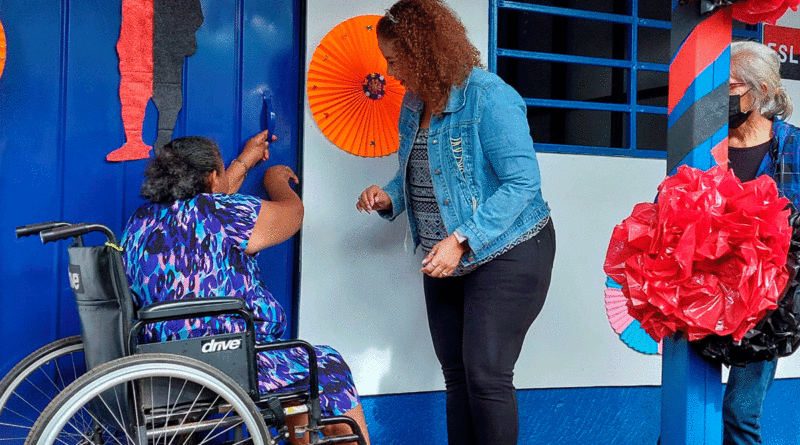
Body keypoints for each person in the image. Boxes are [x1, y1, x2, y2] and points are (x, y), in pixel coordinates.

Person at [356, 1, 556, 443]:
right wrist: (390, 194)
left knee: (485, 375)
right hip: (444, 254)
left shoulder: (488, 96)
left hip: (510, 248)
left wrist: (462, 240)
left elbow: (522, 183)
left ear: (423, 50)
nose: (389, 72)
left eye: (394, 60)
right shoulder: (414, 102)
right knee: (458, 377)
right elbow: (420, 166)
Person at [121, 130, 370, 445]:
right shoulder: (221, 213)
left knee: (293, 376)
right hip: (224, 358)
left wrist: (243, 162)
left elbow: (215, 199)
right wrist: (276, 181)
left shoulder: (140, 221)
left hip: (162, 361)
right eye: (221, 172)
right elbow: (291, 216)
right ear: (213, 178)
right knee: (326, 364)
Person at [722, 40, 800, 445]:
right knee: (686, 406)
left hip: (768, 300)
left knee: (740, 412)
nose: (720, 98)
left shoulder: (793, 145)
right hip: (708, 290)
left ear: (762, 92)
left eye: (730, 87)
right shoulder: (706, 147)